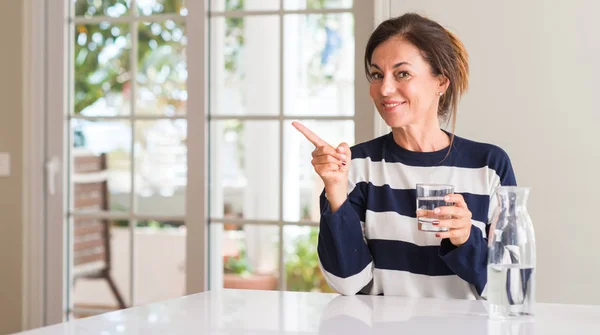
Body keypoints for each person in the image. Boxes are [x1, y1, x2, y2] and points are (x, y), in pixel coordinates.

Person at [292, 13, 516, 299]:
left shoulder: (489, 166)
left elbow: (509, 287)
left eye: (402, 74)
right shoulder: (355, 167)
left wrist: (464, 240)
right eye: (376, 74)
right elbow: (347, 284)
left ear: (441, 82)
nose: (384, 89)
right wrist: (335, 193)